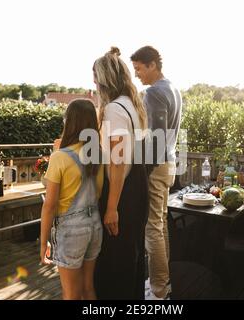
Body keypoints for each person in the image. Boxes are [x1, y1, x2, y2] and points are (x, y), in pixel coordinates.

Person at [93, 47, 149, 299]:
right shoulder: (132, 105)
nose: (93, 82)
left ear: (105, 79)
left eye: (95, 76)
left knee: (115, 264)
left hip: (122, 193)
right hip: (138, 188)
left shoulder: (115, 109)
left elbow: (117, 163)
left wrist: (111, 207)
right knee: (132, 259)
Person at [131, 46, 182, 300]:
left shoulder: (153, 93)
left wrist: (144, 170)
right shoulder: (174, 89)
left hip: (156, 166)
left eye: (139, 68)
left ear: (152, 65)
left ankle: (159, 291)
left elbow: (156, 138)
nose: (137, 74)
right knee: (160, 226)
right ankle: (163, 282)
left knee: (152, 228)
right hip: (169, 164)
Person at [40, 99, 104, 300]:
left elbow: (49, 205)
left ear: (70, 122)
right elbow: (99, 194)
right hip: (95, 226)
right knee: (88, 288)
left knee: (70, 293)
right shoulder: (98, 155)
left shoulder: (60, 157)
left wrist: (43, 243)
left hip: (72, 230)